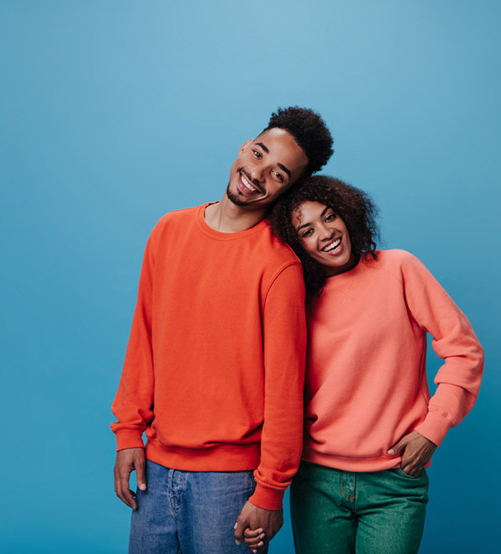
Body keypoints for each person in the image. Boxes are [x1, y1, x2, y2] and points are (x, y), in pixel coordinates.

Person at [111, 107, 333, 554]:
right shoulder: (168, 231)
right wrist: (128, 432)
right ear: (243, 147)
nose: (257, 173)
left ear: (286, 189)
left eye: (278, 174)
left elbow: (285, 389)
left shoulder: (279, 266)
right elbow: (144, 338)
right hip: (154, 466)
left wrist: (270, 490)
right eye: (258, 153)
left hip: (231, 483)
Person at [251, 175, 484, 554]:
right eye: (307, 231)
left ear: (347, 213)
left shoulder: (399, 269)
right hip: (315, 481)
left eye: (329, 217)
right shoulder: (294, 299)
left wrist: (433, 428)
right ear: (295, 245)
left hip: (393, 480)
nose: (325, 233)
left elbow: (464, 350)